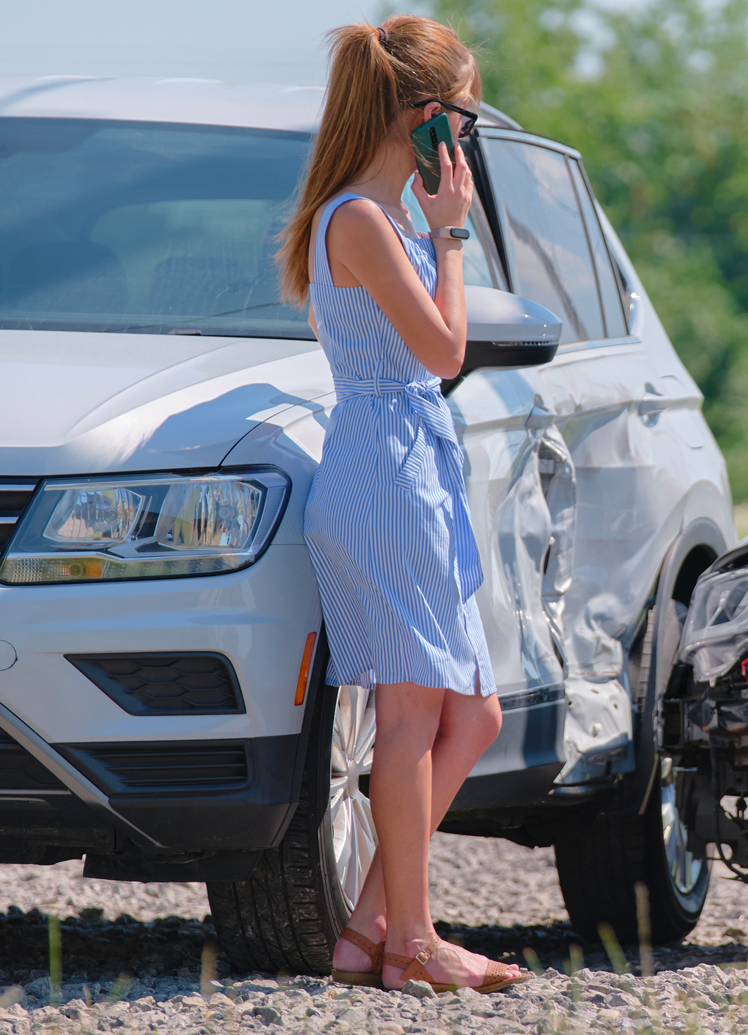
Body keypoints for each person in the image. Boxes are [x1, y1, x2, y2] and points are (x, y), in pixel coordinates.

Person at [278, 15, 528, 995]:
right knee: (412, 716)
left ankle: (375, 925)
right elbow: (442, 352)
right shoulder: (360, 222)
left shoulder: (375, 218)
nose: (467, 139)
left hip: (411, 467)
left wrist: (438, 231)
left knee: (472, 716)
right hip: (384, 470)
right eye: (463, 116)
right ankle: (412, 942)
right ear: (425, 116)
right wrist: (453, 235)